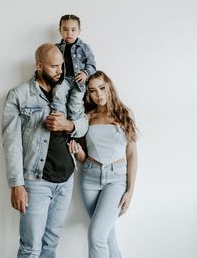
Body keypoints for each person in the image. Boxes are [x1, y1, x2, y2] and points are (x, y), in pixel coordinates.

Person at [2, 43, 88, 258]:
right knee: (31, 248)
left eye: (61, 66)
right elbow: (11, 143)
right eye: (54, 67)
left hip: (65, 179)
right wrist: (17, 184)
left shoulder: (68, 90)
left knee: (51, 244)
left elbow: (83, 122)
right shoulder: (19, 95)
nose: (60, 71)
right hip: (36, 182)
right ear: (39, 65)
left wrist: (67, 125)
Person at [68, 71, 138, 258]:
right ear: (88, 94)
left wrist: (130, 191)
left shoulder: (124, 114)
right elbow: (84, 156)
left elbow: (131, 154)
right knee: (107, 236)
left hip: (116, 180)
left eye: (101, 88)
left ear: (109, 87)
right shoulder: (87, 117)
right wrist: (78, 153)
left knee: (96, 235)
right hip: (89, 178)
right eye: (92, 91)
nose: (98, 94)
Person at [52, 14, 96, 120]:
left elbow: (92, 65)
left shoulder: (84, 47)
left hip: (79, 81)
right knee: (58, 94)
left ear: (79, 31)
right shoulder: (56, 48)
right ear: (60, 31)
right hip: (63, 79)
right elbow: (52, 64)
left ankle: (73, 123)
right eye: (65, 29)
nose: (69, 33)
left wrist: (85, 73)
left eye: (73, 30)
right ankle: (59, 118)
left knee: (75, 102)